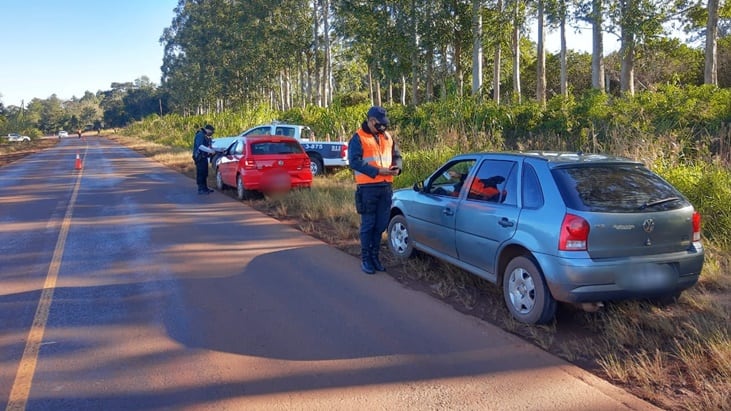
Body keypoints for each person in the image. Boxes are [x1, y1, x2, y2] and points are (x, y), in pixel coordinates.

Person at [348, 106, 403, 274]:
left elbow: (397, 156)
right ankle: (366, 259)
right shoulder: (358, 138)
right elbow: (354, 162)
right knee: (368, 225)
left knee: (380, 225)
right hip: (368, 189)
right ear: (372, 121)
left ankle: (375, 257)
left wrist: (397, 168)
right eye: (380, 124)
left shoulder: (387, 136)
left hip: (386, 187)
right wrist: (378, 171)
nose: (383, 127)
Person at [192, 124, 216, 195]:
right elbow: (200, 146)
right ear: (207, 130)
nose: (211, 133)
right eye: (211, 131)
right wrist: (211, 151)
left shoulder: (205, 136)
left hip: (204, 157)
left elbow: (208, 146)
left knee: (205, 173)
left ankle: (205, 188)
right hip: (200, 158)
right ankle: (201, 189)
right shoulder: (200, 135)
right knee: (201, 173)